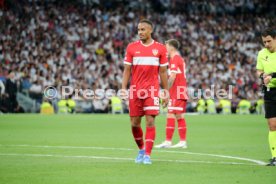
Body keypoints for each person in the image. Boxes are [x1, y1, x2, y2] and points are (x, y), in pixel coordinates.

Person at [121, 19, 169, 164]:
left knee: (150, 121)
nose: (140, 32)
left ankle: (147, 154)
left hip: (152, 90)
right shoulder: (131, 47)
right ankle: (141, 149)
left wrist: (166, 91)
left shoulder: (160, 49)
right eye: (138, 30)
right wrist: (123, 88)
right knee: (135, 123)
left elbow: (163, 72)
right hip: (135, 90)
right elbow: (127, 70)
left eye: (143, 29)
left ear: (150, 30)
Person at [155, 39, 189, 149]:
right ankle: (171, 141)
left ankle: (179, 141)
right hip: (178, 90)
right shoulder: (177, 59)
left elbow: (173, 77)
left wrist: (165, 91)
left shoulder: (175, 58)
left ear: (172, 48)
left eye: (166, 46)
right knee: (174, 115)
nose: (165, 48)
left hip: (178, 91)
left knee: (176, 116)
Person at [256, 28, 276, 166]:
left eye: (269, 41)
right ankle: (275, 157)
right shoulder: (262, 53)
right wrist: (262, 76)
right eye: (264, 42)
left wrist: (272, 75)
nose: (266, 44)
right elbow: (259, 70)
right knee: (272, 124)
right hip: (270, 91)